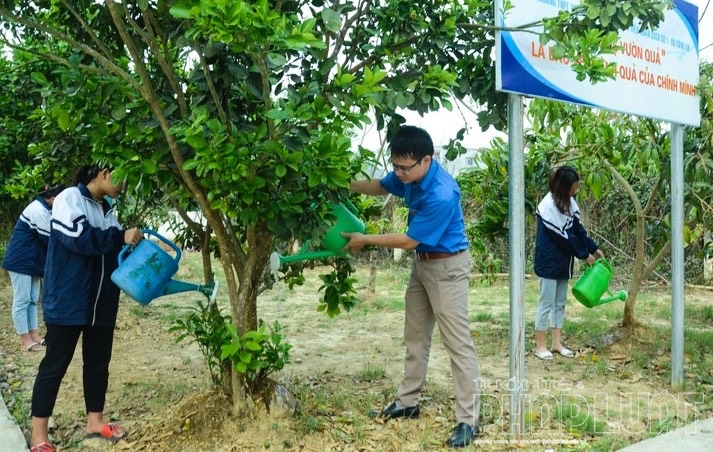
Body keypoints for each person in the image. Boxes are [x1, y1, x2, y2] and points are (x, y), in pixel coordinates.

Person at [342, 125, 481, 448]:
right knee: (415, 335)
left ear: (426, 161)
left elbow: (408, 239)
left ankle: (468, 420)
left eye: (405, 168)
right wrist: (346, 185)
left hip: (448, 267)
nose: (399, 173)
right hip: (423, 265)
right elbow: (379, 186)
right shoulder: (407, 177)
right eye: (396, 166)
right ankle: (408, 402)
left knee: (458, 344)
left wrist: (365, 239)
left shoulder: (442, 193)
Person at [29, 165, 144, 452]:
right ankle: (38, 436)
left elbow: (113, 253)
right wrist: (120, 237)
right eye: (122, 178)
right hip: (69, 300)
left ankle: (95, 421)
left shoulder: (107, 211)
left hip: (101, 303)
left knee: (97, 365)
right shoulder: (70, 199)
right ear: (104, 172)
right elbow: (79, 238)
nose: (124, 186)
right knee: (54, 366)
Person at [533, 165, 603, 360]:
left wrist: (593, 248)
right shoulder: (547, 207)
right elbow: (566, 237)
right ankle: (540, 346)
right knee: (545, 303)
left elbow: (577, 229)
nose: (576, 190)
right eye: (574, 187)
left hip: (563, 263)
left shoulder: (568, 203)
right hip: (548, 263)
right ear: (564, 187)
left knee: (560, 303)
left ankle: (556, 344)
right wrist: (583, 254)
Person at [3, 184, 65, 352]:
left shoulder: (47, 210)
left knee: (32, 300)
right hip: (21, 261)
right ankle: (24, 340)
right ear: (51, 198)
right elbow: (51, 241)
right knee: (22, 300)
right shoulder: (38, 211)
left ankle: (34, 335)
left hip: (33, 262)